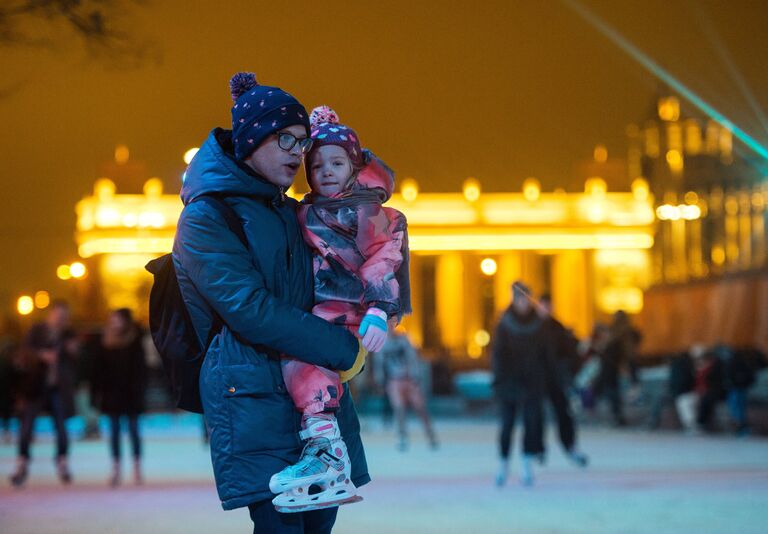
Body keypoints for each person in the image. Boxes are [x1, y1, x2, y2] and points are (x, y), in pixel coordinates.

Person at [173, 72, 368, 533]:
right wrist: (341, 350)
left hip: (312, 398)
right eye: (286, 140)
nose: (298, 155)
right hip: (252, 395)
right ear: (252, 139)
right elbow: (248, 308)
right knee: (281, 526)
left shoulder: (290, 209)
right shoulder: (207, 216)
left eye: (303, 144)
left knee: (319, 525)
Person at [270, 105, 410, 511]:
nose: (326, 172)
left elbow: (385, 257)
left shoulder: (368, 211)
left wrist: (380, 309)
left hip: (348, 312)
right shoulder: (305, 211)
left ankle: (326, 452)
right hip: (319, 309)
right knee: (296, 362)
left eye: (336, 162)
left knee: (303, 359)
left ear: (354, 166)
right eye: (316, 166)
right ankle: (322, 448)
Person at [9, 300, 78, 487]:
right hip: (35, 387)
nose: (61, 320)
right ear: (51, 313)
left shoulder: (67, 334)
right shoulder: (37, 330)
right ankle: (22, 463)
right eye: (58, 315)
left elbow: (76, 358)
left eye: (64, 317)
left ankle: (62, 461)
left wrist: (71, 350)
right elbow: (25, 351)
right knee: (26, 427)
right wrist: (41, 355)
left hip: (57, 389)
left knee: (62, 429)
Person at [491, 282, 551, 487]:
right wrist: (499, 381)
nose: (524, 303)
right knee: (507, 426)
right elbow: (498, 356)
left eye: (526, 299)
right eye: (520, 299)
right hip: (509, 383)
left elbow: (546, 354)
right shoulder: (504, 324)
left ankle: (526, 466)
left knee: (531, 424)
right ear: (514, 300)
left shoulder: (539, 324)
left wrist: (547, 378)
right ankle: (503, 465)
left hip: (532, 383)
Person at [92, 308, 147, 486]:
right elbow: (98, 371)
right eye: (113, 319)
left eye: (118, 319)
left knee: (133, 430)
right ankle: (115, 468)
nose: (115, 323)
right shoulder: (104, 341)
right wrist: (98, 392)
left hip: (131, 394)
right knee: (114, 432)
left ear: (125, 321)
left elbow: (140, 369)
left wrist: (138, 390)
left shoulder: (134, 341)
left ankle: (137, 468)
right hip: (112, 395)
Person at [537, 294, 588, 467]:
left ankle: (570, 446)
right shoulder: (531, 327)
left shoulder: (558, 328)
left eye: (548, 306)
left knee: (564, 414)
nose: (546, 309)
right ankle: (537, 449)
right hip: (537, 380)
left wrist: (568, 374)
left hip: (556, 380)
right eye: (543, 306)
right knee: (536, 415)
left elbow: (570, 354)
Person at [374, 328, 437, 451]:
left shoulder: (404, 340)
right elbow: (379, 363)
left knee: (421, 408)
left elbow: (413, 358)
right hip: (394, 380)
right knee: (399, 409)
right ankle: (402, 437)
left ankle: (430, 435)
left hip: (409, 379)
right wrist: (380, 381)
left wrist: (416, 377)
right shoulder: (382, 343)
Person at [592, 310, 640, 426]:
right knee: (611, 392)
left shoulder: (618, 333)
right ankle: (616, 417)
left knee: (611, 392)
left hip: (611, 367)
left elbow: (625, 352)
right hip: (612, 367)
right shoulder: (621, 332)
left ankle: (617, 417)